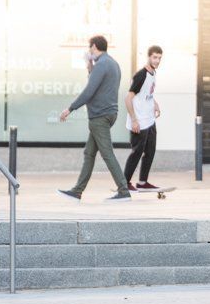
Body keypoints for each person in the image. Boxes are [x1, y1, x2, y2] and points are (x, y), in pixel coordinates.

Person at [57, 35, 131, 201]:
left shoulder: (102, 64)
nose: (89, 51)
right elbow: (99, 85)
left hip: (100, 116)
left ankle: (124, 190)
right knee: (89, 153)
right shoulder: (112, 63)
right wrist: (90, 66)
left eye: (90, 48)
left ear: (94, 47)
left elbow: (89, 91)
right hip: (109, 114)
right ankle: (77, 191)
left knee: (107, 154)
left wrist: (70, 108)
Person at [123, 45, 163, 191]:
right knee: (137, 152)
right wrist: (134, 119)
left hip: (149, 119)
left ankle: (142, 182)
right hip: (139, 121)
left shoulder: (153, 73)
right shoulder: (141, 75)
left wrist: (155, 104)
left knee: (150, 151)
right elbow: (128, 98)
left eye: (159, 58)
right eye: (154, 57)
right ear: (148, 57)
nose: (157, 60)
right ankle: (124, 183)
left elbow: (146, 94)